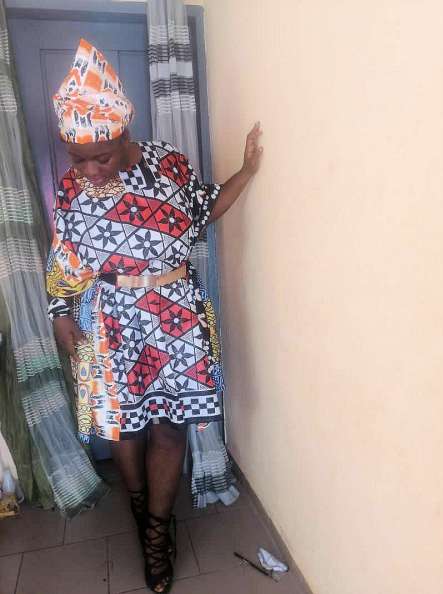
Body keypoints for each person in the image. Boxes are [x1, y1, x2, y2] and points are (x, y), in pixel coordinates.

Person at [47, 39, 262, 593]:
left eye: (101, 156)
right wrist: (60, 310)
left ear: (125, 134)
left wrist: (245, 172)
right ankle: (140, 503)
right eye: (76, 158)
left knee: (170, 426)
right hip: (112, 320)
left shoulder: (170, 164)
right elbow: (65, 255)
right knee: (126, 424)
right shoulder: (71, 190)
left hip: (175, 315)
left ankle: (157, 534)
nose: (89, 170)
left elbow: (203, 209)